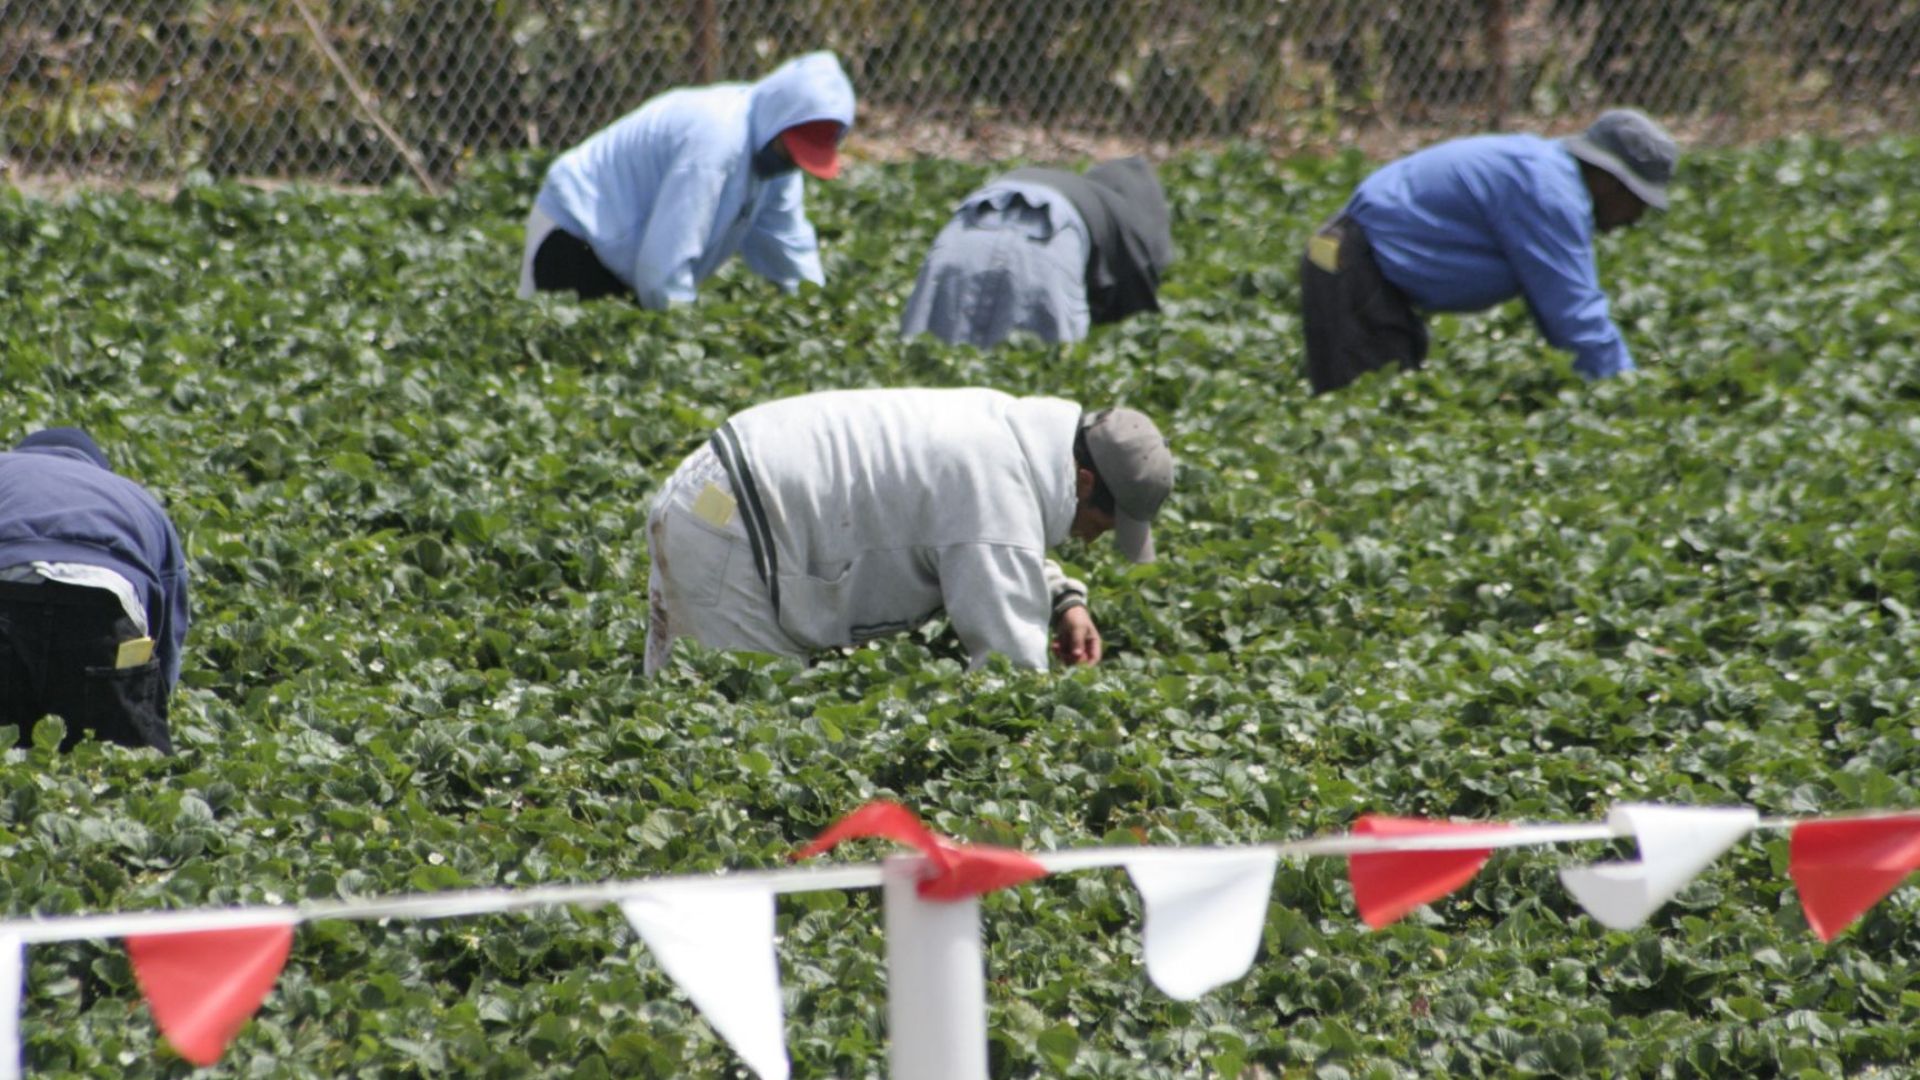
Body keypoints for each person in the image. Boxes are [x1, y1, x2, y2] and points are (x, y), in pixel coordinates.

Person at [643, 389, 1173, 675]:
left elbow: (988, 532)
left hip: (717, 488)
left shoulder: (1010, 436)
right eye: (1100, 526)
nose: (1090, 541)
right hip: (733, 524)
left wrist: (1062, 600)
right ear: (1084, 482)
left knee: (685, 698)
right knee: (732, 717)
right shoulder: (997, 486)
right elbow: (1011, 670)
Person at [1300, 108, 1678, 394]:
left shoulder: (1544, 170)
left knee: (1384, 405)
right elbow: (1573, 314)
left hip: (1356, 267)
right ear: (1611, 182)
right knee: (1365, 414)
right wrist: (1625, 393)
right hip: (1353, 268)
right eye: (1638, 202)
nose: (1635, 219)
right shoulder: (1550, 191)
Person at [519, 51, 856, 308]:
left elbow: (786, 243)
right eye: (792, 150)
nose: (791, 163)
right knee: (573, 353)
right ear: (778, 120)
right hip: (578, 232)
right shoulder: (716, 141)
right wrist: (686, 335)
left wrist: (816, 310)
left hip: (629, 255)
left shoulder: (775, 156)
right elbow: (665, 263)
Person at [0, 428, 189, 752]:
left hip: (6, 596)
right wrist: (147, 692)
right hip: (103, 611)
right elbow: (166, 628)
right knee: (125, 762)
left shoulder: (6, 468)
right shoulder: (136, 497)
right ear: (96, 466)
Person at [899, 157, 1174, 347]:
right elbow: (1137, 315)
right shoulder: (1132, 222)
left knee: (929, 366)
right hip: (1047, 239)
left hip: (964, 230)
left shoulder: (1074, 187)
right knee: (1041, 377)